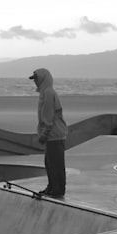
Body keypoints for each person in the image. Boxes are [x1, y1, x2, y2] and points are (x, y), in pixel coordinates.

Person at [30, 68, 67, 198]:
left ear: (43, 79)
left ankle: (57, 189)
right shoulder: (45, 92)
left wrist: (44, 134)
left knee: (56, 163)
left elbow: (48, 117)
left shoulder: (48, 93)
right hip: (52, 136)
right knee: (50, 162)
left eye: (37, 79)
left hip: (54, 135)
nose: (35, 82)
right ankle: (52, 186)